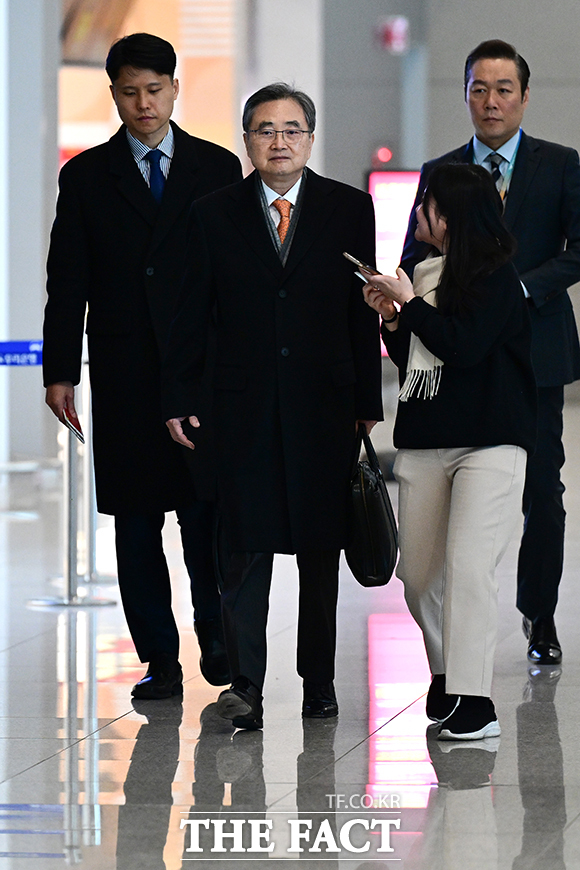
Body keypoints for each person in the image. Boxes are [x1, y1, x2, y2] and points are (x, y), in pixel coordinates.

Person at [163, 82, 383, 729]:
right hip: (241, 406)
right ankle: (246, 686)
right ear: (247, 139)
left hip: (324, 405)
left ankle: (319, 682)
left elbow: (361, 311)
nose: (279, 142)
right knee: (243, 550)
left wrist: (366, 400)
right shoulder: (212, 213)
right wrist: (179, 394)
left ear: (310, 139)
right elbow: (190, 312)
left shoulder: (350, 208)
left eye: (291, 130)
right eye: (265, 130)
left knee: (320, 549)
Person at [43, 33, 243, 700]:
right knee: (135, 522)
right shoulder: (86, 177)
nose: (143, 103)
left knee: (205, 514)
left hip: (200, 371)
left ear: (175, 89)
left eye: (154, 89)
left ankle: (217, 634)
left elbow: (235, 278)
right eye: (129, 92)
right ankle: (160, 656)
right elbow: (67, 281)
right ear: (114, 95)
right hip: (126, 371)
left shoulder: (217, 167)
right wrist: (60, 370)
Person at [401, 39, 580, 667]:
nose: (491, 101)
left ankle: (539, 613)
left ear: (525, 97)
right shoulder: (441, 170)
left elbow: (578, 250)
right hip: (459, 357)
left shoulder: (560, 164)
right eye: (479, 89)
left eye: (504, 89)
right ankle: (453, 637)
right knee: (454, 500)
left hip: (536, 352)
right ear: (466, 95)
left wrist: (516, 290)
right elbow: (415, 256)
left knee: (543, 489)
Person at [363, 163, 537, 739]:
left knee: (468, 569)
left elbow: (462, 347)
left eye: (429, 205)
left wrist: (411, 306)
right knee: (417, 575)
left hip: (490, 443)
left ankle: (475, 701)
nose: (419, 213)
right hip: (426, 440)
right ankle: (446, 673)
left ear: (453, 216)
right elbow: (417, 353)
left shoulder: (496, 277)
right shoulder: (423, 273)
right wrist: (392, 319)